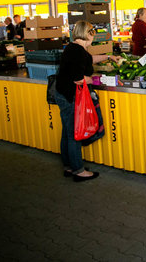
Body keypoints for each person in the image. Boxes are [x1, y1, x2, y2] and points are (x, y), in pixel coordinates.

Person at [55, 20, 121, 182]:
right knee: (73, 134)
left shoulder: (76, 48)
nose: (94, 37)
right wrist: (97, 80)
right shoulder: (77, 51)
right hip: (69, 95)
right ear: (87, 34)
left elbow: (88, 59)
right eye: (93, 33)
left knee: (67, 132)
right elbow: (78, 79)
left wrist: (109, 56)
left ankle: (68, 166)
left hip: (63, 93)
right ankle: (78, 170)